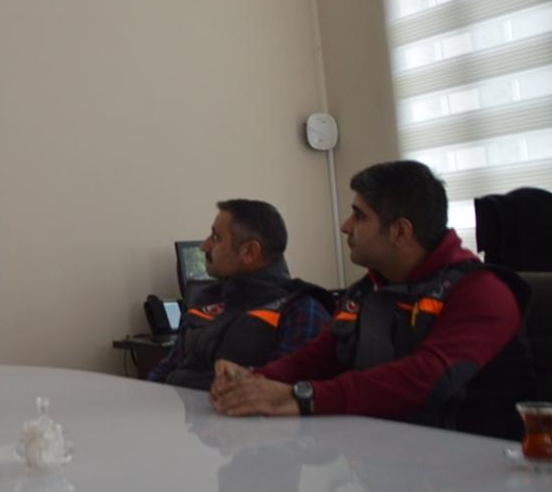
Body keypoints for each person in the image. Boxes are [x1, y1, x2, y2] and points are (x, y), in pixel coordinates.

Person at [210, 160, 534, 439]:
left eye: (359, 216)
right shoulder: (370, 290)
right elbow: (320, 358)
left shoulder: (482, 292)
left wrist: (303, 397)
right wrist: (251, 380)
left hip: (471, 469)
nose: (345, 226)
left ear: (400, 232)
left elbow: (424, 378)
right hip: (388, 456)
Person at [148, 199, 332, 390]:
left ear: (249, 252)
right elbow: (165, 370)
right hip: (179, 407)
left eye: (216, 237)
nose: (204, 246)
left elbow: (280, 392)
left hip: (230, 408)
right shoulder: (205, 301)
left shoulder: (300, 310)